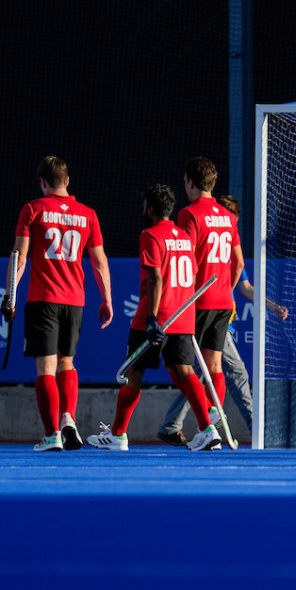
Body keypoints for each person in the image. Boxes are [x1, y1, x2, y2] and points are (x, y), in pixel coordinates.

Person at [87, 184, 220, 451]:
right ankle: (208, 429)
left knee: (133, 373)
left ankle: (118, 435)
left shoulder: (149, 235)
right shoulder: (185, 237)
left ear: (149, 208)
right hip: (182, 317)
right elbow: (192, 275)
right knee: (184, 371)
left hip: (156, 317)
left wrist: (151, 319)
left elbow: (156, 277)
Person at [3, 155, 113, 452]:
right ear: (67, 180)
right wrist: (107, 299)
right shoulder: (88, 214)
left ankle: (52, 433)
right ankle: (68, 418)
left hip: (44, 300)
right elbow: (100, 261)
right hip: (75, 300)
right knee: (68, 362)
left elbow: (19, 256)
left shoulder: (33, 209)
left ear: (42, 182)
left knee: (45, 368)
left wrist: (10, 295)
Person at [159, 195, 288, 444]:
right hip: (211, 312)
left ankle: (172, 424)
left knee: (198, 373)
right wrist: (220, 296)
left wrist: (272, 306)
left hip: (219, 314)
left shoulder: (226, 250)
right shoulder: (210, 244)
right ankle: (252, 427)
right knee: (233, 372)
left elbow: (246, 286)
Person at [164, 157, 244, 444]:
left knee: (177, 365)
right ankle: (211, 420)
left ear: (190, 182)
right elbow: (238, 263)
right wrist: (226, 288)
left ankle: (204, 423)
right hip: (223, 301)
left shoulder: (189, 214)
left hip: (195, 301)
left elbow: (183, 259)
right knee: (215, 366)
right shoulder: (228, 216)